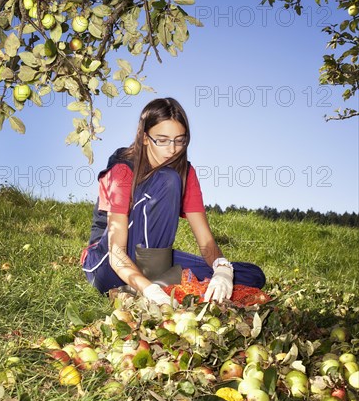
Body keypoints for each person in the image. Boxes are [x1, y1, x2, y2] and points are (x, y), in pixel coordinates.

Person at [81, 97, 265, 306]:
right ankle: (150, 286)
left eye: (179, 140)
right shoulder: (123, 170)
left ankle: (147, 288)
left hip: (156, 260)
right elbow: (116, 253)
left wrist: (222, 268)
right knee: (167, 179)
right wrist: (150, 290)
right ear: (143, 137)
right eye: (162, 140)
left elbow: (205, 243)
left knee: (250, 275)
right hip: (107, 263)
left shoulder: (186, 173)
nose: (172, 149)